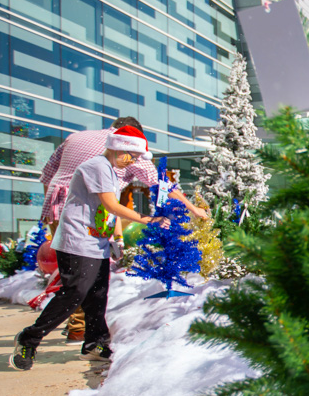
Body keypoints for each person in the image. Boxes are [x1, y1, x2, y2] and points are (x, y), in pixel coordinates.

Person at [10, 126, 171, 371]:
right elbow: (111, 205)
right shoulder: (97, 166)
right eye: (133, 156)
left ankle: (95, 343)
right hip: (76, 240)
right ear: (120, 148)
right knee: (75, 293)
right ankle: (29, 338)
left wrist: (117, 238)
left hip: (95, 241)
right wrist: (149, 219)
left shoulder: (112, 171)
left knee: (97, 294)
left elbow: (109, 209)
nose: (134, 162)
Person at [39, 117, 208, 342]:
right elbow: (159, 183)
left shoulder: (75, 137)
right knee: (90, 271)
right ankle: (79, 329)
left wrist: (54, 206)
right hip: (93, 210)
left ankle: (80, 328)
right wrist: (193, 208)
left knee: (73, 267)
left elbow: (47, 175)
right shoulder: (126, 146)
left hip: (60, 201)